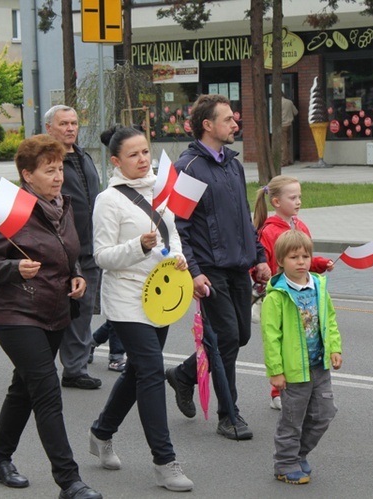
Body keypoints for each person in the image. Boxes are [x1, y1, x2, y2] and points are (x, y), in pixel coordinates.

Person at [0, 134, 101, 499]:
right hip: (14, 312)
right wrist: (14, 268)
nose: (58, 177)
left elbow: (67, 251)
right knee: (46, 391)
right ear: (27, 175)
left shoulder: (63, 204)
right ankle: (69, 481)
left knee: (23, 388)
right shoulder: (13, 210)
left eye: (60, 169)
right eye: (49, 171)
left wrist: (75, 273)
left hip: (54, 310)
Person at [89, 125, 193, 492]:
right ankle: (165, 462)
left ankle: (101, 433)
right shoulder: (109, 199)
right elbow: (102, 257)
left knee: (137, 372)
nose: (142, 159)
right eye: (133, 155)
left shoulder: (161, 190)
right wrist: (138, 246)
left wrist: (178, 257)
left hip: (160, 298)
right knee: (151, 371)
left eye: (145, 152)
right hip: (126, 298)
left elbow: (174, 235)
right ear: (116, 161)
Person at [164, 94, 271, 440]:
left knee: (239, 335)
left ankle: (184, 374)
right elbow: (177, 227)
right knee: (225, 338)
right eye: (228, 120)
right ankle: (229, 415)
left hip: (239, 266)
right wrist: (193, 272)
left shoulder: (233, 164)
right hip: (210, 270)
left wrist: (259, 257)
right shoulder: (189, 168)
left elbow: (244, 218)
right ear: (207, 125)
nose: (235, 125)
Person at [261, 230, 342, 485]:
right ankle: (285, 464)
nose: (301, 261)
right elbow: (270, 336)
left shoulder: (319, 285)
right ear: (281, 261)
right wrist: (276, 370)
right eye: (294, 257)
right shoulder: (277, 296)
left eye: (305, 256)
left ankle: (298, 454)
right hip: (294, 371)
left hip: (319, 366)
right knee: (292, 420)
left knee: (324, 414)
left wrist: (335, 348)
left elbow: (329, 319)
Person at [252, 175, 334, 410]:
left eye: (299, 197)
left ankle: (305, 386)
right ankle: (278, 390)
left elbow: (305, 259)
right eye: (293, 197)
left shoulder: (301, 226)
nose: (298, 202)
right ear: (276, 202)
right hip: (283, 297)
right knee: (284, 342)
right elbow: (260, 263)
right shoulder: (268, 231)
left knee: (306, 341)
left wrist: (319, 264)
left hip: (305, 296)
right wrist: (261, 273)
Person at [44, 105, 102, 390]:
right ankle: (52, 365)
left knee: (83, 309)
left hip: (91, 245)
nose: (70, 128)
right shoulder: (45, 161)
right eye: (64, 123)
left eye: (74, 123)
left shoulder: (82, 155)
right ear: (49, 129)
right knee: (59, 311)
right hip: (61, 248)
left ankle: (75, 367)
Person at [281, 95, 298, 167]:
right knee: (289, 142)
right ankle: (290, 159)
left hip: (282, 124)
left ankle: (284, 160)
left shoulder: (278, 103)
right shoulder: (289, 102)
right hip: (289, 124)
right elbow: (296, 112)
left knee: (283, 144)